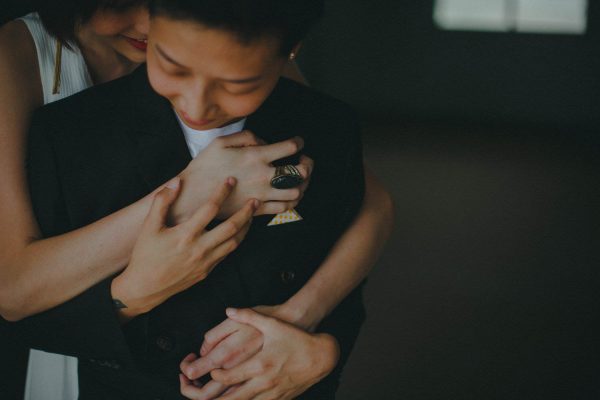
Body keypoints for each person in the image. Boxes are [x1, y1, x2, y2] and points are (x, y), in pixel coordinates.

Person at [0, 0, 393, 398]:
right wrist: (187, 205)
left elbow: (358, 211)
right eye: (172, 65)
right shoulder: (61, 130)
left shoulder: (295, 90)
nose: (196, 105)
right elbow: (17, 304)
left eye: (237, 83)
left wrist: (319, 346)